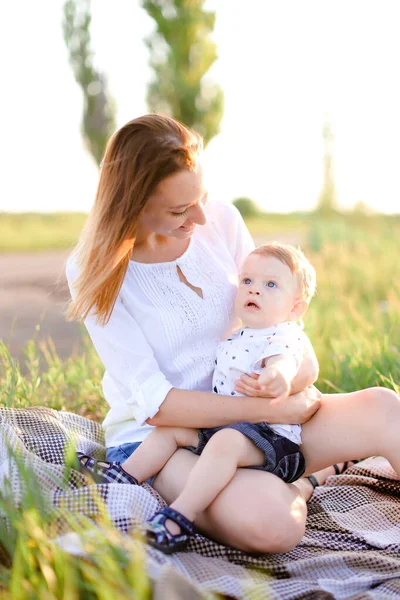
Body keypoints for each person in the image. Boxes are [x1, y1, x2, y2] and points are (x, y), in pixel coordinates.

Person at [67, 114, 400, 555]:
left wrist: (293, 381)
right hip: (171, 438)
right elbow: (158, 405)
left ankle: (292, 475)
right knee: (273, 526)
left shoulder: (221, 219)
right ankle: (304, 485)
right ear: (132, 205)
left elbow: (286, 327)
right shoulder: (96, 270)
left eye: (201, 196)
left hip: (260, 424)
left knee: (383, 408)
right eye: (180, 210)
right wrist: (268, 409)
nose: (201, 216)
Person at [78, 241, 316, 553]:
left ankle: (180, 517)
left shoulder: (282, 336)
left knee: (225, 443)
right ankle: (124, 476)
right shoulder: (239, 336)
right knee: (171, 431)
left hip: (271, 438)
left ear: (295, 307)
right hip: (233, 428)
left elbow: (284, 361)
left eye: (270, 285)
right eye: (247, 281)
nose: (254, 290)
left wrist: (277, 378)